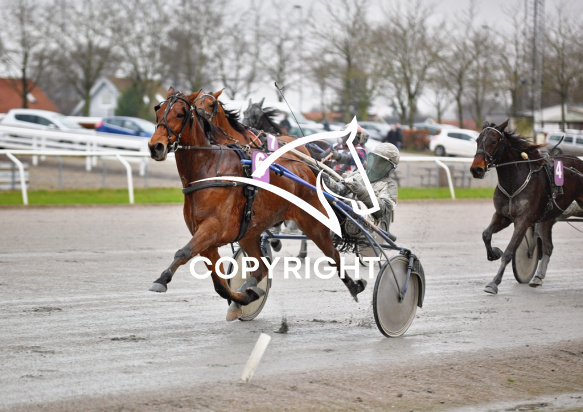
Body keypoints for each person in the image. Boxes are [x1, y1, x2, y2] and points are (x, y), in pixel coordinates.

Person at [324, 143, 399, 229]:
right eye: (375, 159)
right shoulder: (358, 173)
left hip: (367, 225)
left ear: (390, 168)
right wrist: (329, 181)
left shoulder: (389, 185)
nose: (376, 164)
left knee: (356, 206)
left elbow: (382, 210)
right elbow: (341, 185)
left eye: (382, 162)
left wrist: (363, 192)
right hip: (343, 212)